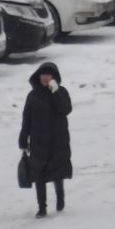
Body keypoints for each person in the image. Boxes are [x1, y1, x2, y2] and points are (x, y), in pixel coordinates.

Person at [18, 62, 72, 218]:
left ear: (54, 78)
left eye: (49, 76)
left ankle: (60, 197)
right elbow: (26, 118)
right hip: (38, 141)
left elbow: (65, 109)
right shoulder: (33, 95)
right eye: (43, 75)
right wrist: (23, 139)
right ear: (38, 76)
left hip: (58, 140)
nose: (45, 78)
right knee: (38, 173)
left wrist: (56, 92)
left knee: (57, 171)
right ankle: (42, 207)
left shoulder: (61, 92)